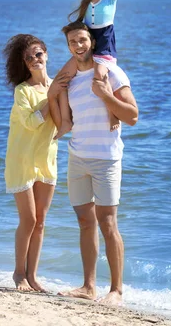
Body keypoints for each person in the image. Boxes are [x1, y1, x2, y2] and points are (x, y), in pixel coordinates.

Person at [48, 21, 138, 305]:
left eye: (83, 40)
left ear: (92, 42)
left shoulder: (112, 73)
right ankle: (88, 286)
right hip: (77, 157)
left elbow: (132, 115)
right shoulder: (69, 79)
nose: (78, 45)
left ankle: (116, 290)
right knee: (85, 222)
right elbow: (65, 118)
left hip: (106, 160)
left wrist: (105, 95)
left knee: (108, 223)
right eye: (73, 41)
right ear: (68, 46)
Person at [3, 34, 69, 292]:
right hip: (21, 160)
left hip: (46, 159)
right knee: (28, 219)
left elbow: (66, 118)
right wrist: (50, 98)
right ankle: (18, 273)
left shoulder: (57, 85)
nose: (34, 60)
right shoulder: (22, 91)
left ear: (47, 55)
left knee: (40, 221)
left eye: (38, 54)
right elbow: (31, 123)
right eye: (29, 57)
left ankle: (32, 276)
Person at [53, 0, 126, 139]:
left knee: (100, 77)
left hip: (103, 45)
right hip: (85, 45)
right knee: (61, 79)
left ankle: (114, 115)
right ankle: (66, 121)